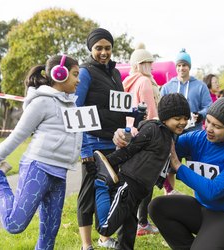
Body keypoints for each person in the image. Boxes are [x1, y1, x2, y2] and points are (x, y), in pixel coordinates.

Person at [0, 55, 82, 249]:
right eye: (75, 74)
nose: (78, 80)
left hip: (59, 174)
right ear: (59, 74)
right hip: (38, 168)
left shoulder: (72, 103)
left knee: (49, 236)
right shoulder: (42, 102)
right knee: (14, 224)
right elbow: (18, 135)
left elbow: (78, 136)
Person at [147, 97, 224, 249]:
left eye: (217, 126)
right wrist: (132, 138)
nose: (209, 129)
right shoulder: (197, 138)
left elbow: (214, 191)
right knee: (158, 206)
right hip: (203, 208)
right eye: (209, 121)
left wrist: (178, 167)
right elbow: (163, 144)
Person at [92, 93, 190, 250]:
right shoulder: (153, 128)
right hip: (128, 185)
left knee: (128, 231)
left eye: (186, 118)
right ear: (165, 117)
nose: (183, 122)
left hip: (140, 191)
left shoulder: (169, 136)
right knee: (105, 227)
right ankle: (101, 184)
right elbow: (129, 150)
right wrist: (107, 163)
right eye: (178, 118)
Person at [75, 28, 126, 250]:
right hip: (92, 142)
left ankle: (104, 238)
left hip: (114, 142)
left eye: (107, 48)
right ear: (91, 49)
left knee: (110, 190)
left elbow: (120, 105)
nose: (104, 52)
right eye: (99, 48)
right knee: (89, 192)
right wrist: (84, 144)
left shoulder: (115, 74)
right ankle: (86, 245)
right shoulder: (85, 72)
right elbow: (76, 108)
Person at [160, 48, 212, 194]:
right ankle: (168, 196)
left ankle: (200, 196)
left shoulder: (200, 86)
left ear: (189, 66)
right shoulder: (167, 86)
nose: (181, 68)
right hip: (173, 135)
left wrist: (200, 115)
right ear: (176, 67)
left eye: (184, 65)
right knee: (170, 167)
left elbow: (209, 106)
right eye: (179, 65)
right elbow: (161, 107)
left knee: (196, 167)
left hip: (193, 134)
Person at [122, 43, 160, 236]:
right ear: (140, 64)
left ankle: (131, 219)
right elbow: (151, 111)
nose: (150, 66)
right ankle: (142, 222)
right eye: (147, 62)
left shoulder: (129, 81)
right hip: (146, 133)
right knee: (148, 179)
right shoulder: (144, 82)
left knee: (132, 178)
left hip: (131, 133)